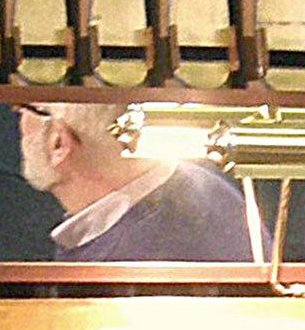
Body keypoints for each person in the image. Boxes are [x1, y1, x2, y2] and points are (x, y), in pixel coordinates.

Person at [17, 100, 261, 263]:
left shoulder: (128, 267)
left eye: (27, 106)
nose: (18, 115)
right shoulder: (203, 184)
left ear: (59, 143)